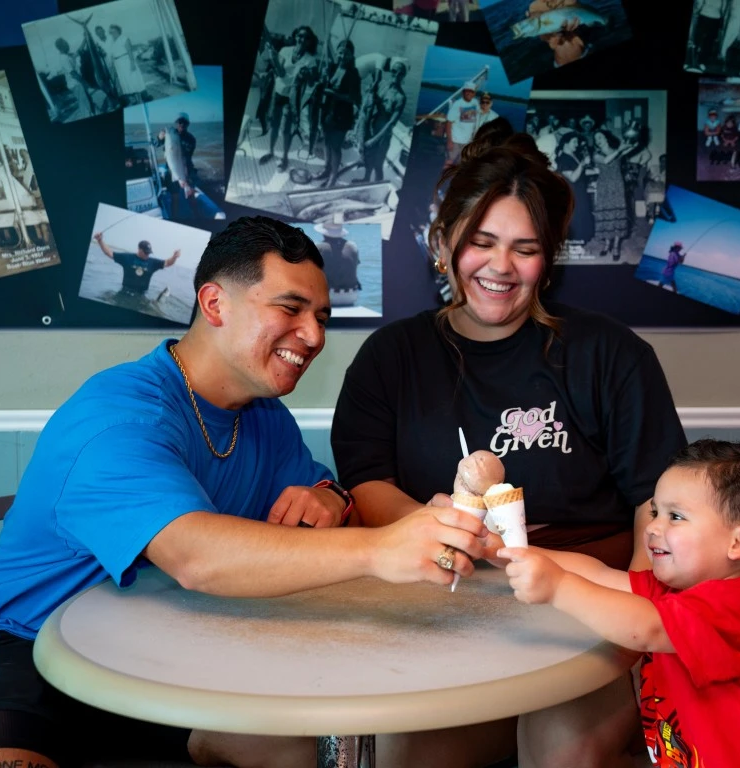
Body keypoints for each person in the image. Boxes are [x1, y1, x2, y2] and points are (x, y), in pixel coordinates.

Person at [0, 216, 488, 768]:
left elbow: (322, 489)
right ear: (215, 304)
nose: (315, 335)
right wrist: (381, 548)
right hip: (19, 652)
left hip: (163, 654)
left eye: (321, 316)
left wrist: (332, 495)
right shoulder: (119, 415)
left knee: (331, 749)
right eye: (290, 309)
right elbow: (199, 559)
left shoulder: (263, 415)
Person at [331, 118, 686, 768]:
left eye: (524, 248)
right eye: (481, 242)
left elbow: (656, 504)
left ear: (547, 259)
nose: (500, 267)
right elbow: (367, 484)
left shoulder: (610, 354)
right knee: (406, 757)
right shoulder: (392, 357)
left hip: (585, 608)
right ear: (443, 244)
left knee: (561, 755)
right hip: (443, 604)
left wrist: (632, 615)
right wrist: (466, 545)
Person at [500, 439, 740, 767]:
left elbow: (646, 628)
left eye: (676, 516)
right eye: (655, 512)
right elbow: (599, 575)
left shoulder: (735, 607)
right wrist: (506, 551)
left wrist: (559, 588)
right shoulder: (674, 590)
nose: (653, 527)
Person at [263, 26, 319, 172]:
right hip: (278, 92)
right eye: (300, 35)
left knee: (286, 129)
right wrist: (274, 59)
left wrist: (309, 75)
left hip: (292, 98)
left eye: (306, 37)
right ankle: (271, 151)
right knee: (274, 124)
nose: (302, 39)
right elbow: (280, 73)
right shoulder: (285, 51)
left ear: (309, 41)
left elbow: (312, 83)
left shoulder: (311, 60)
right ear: (295, 36)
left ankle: (285, 157)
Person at [315, 39, 362, 188]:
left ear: (351, 56)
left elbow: (354, 98)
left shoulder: (354, 74)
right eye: (340, 52)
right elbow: (322, 86)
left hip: (342, 116)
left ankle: (333, 176)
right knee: (326, 142)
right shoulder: (332, 67)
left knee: (335, 146)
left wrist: (334, 94)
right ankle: (326, 168)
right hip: (327, 112)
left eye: (346, 53)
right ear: (336, 52)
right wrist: (323, 78)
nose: (342, 56)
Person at [93, 232, 181, 299]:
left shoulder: (153, 263)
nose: (147, 255)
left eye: (149, 253)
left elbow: (168, 263)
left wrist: (174, 257)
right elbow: (109, 253)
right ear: (139, 249)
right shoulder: (127, 258)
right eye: (145, 252)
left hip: (142, 295)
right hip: (124, 292)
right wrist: (100, 240)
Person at [591, 128, 634, 260]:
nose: (598, 140)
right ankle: (606, 245)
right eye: (596, 138)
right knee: (606, 214)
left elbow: (629, 149)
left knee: (617, 216)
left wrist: (633, 140)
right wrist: (620, 149)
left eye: (600, 137)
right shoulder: (596, 154)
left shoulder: (617, 151)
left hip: (617, 185)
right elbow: (606, 161)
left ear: (606, 137)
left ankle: (616, 247)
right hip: (604, 186)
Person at [361, 60, 407, 183]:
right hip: (372, 127)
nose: (396, 75)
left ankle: (376, 187)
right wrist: (369, 92)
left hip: (383, 135)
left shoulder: (401, 97)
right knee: (368, 158)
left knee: (377, 164)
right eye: (394, 71)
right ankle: (365, 179)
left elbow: (391, 123)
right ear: (390, 72)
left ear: (403, 76)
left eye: (400, 73)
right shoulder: (382, 85)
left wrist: (374, 139)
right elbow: (371, 101)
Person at [315, 213, 361, 294]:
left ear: (324, 233)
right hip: (352, 295)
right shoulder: (353, 246)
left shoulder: (318, 247)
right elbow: (353, 266)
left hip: (328, 295)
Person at [107, 24, 147, 105]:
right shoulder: (112, 42)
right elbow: (112, 55)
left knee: (133, 81)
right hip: (119, 65)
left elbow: (130, 52)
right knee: (127, 84)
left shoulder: (124, 38)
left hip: (126, 62)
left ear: (118, 31)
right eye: (110, 32)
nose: (112, 34)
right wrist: (112, 66)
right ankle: (135, 100)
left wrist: (132, 63)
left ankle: (140, 100)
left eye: (113, 31)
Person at [444, 81, 480, 168]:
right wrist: (449, 141)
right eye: (467, 91)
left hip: (467, 142)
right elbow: (449, 123)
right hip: (455, 140)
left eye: (471, 91)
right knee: (449, 162)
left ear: (474, 93)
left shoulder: (476, 103)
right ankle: (442, 179)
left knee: (462, 163)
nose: (469, 93)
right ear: (463, 92)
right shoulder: (457, 104)